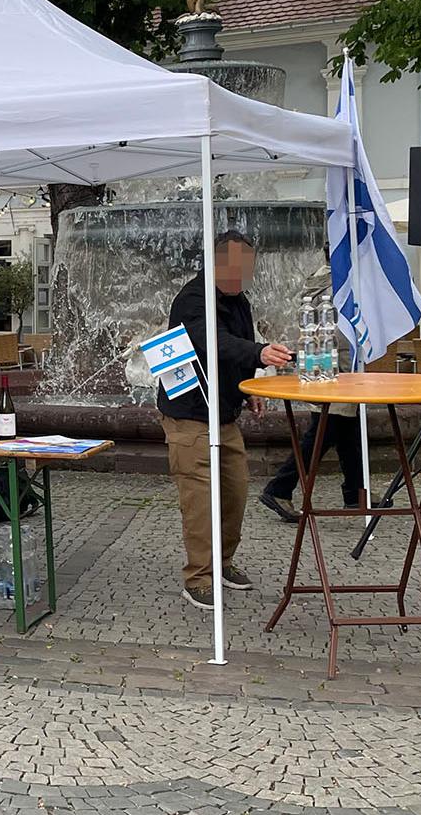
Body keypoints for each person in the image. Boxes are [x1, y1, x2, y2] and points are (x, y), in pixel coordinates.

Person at [159, 231, 292, 611]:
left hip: (223, 413)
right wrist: (260, 353)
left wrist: (247, 388)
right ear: (215, 263)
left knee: (235, 490)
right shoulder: (193, 299)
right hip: (189, 414)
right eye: (235, 268)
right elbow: (212, 343)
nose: (241, 276)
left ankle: (224, 562)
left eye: (246, 268)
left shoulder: (239, 299)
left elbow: (235, 349)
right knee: (200, 499)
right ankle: (198, 578)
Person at [261, 265, 368, 520]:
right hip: (335, 364)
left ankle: (355, 491)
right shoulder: (339, 282)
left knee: (347, 429)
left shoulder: (321, 278)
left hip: (327, 361)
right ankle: (279, 487)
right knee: (324, 430)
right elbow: (339, 328)